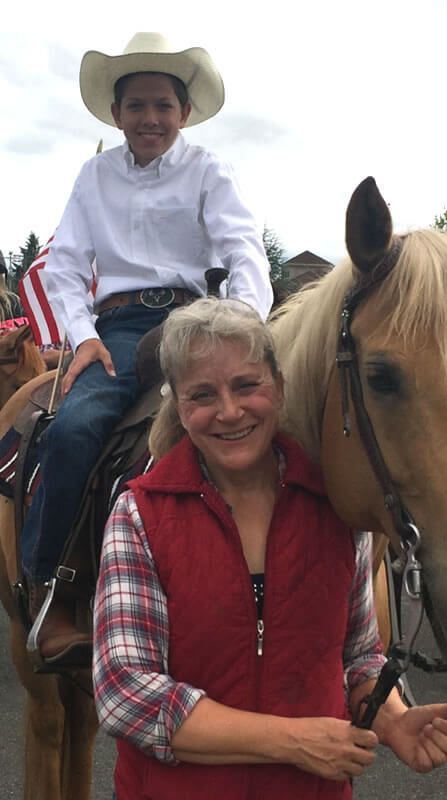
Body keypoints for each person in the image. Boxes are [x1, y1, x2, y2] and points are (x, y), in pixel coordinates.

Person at [93, 297, 447, 800]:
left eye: (247, 385)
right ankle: (53, 587)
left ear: (280, 386)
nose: (229, 412)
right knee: (73, 433)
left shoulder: (337, 510)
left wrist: (392, 717)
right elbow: (125, 693)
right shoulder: (139, 515)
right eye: (202, 395)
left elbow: (358, 658)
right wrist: (294, 742)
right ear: (179, 407)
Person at [22, 32, 274, 664]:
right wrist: (82, 337)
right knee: (72, 430)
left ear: (184, 112)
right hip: (120, 327)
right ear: (116, 114)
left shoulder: (210, 171)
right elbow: (65, 266)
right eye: (136, 105)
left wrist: (246, 328)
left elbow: (243, 250)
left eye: (163, 105)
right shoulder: (93, 176)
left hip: (199, 320)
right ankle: (54, 592)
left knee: (274, 424)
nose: (150, 118)